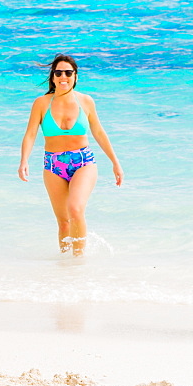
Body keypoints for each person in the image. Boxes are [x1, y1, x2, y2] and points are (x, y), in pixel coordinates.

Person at [18, 54, 123, 256]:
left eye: (68, 72)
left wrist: (115, 163)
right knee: (63, 222)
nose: (63, 76)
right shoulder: (41, 103)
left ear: (75, 76)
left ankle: (79, 260)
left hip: (83, 161)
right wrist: (24, 161)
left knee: (75, 209)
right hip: (53, 164)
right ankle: (65, 264)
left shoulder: (86, 101)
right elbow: (30, 134)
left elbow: (99, 132)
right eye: (59, 73)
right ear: (53, 76)